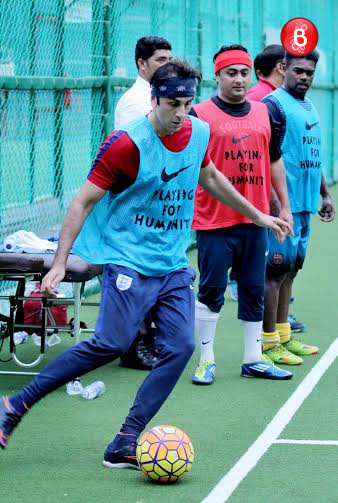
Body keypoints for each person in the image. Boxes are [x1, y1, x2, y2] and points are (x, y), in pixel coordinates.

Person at [0, 59, 292, 467]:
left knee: (180, 347)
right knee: (113, 343)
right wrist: (59, 264)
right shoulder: (126, 143)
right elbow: (83, 200)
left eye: (188, 103)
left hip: (171, 264)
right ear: (154, 99)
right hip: (129, 261)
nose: (180, 113)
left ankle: (125, 438)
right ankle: (14, 405)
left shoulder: (198, 131)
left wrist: (258, 214)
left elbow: (209, 177)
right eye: (173, 104)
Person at [190, 44, 293, 385]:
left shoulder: (265, 112)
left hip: (256, 222)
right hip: (214, 221)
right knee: (211, 290)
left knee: (252, 288)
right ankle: (206, 359)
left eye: (243, 72)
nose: (238, 79)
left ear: (251, 75)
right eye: (230, 72)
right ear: (217, 75)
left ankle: (253, 358)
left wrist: (284, 206)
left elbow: (274, 160)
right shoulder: (199, 115)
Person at [262, 50, 335, 365]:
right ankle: (267, 343)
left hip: (305, 206)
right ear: (283, 68)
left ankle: (284, 336)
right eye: (298, 70)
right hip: (284, 209)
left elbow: (313, 155)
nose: (305, 76)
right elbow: (266, 159)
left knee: (291, 270)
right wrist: (278, 205)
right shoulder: (273, 105)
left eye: (310, 72)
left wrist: (325, 194)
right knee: (274, 272)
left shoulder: (309, 107)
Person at [114, 36, 172, 370]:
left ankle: (148, 340)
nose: (167, 64)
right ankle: (133, 347)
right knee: (136, 274)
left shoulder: (159, 97)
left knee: (152, 272)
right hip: (135, 205)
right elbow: (131, 155)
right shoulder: (136, 102)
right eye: (160, 60)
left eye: (169, 58)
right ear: (142, 64)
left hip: (155, 204)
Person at [248, 44, 305, 333]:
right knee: (275, 267)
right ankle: (269, 334)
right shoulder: (265, 99)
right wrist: (274, 198)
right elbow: (268, 156)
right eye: (290, 65)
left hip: (279, 196)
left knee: (284, 265)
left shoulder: (281, 100)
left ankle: (279, 327)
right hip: (265, 197)